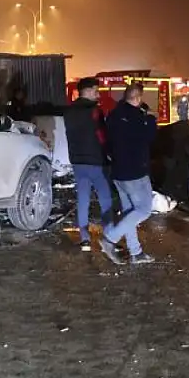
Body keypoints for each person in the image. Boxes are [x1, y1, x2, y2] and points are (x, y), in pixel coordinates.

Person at [100, 83, 158, 265]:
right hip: (135, 172)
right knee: (143, 209)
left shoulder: (113, 115)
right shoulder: (138, 118)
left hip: (118, 171)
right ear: (138, 98)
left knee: (129, 213)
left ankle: (136, 252)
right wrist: (150, 119)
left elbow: (107, 140)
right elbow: (149, 136)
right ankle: (110, 238)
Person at [64, 77, 113, 252]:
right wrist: (109, 153)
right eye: (96, 91)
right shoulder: (94, 111)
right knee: (105, 199)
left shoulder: (69, 111)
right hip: (96, 161)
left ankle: (84, 238)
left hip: (77, 161)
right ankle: (110, 236)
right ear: (89, 90)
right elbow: (101, 135)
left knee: (83, 199)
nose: (98, 94)